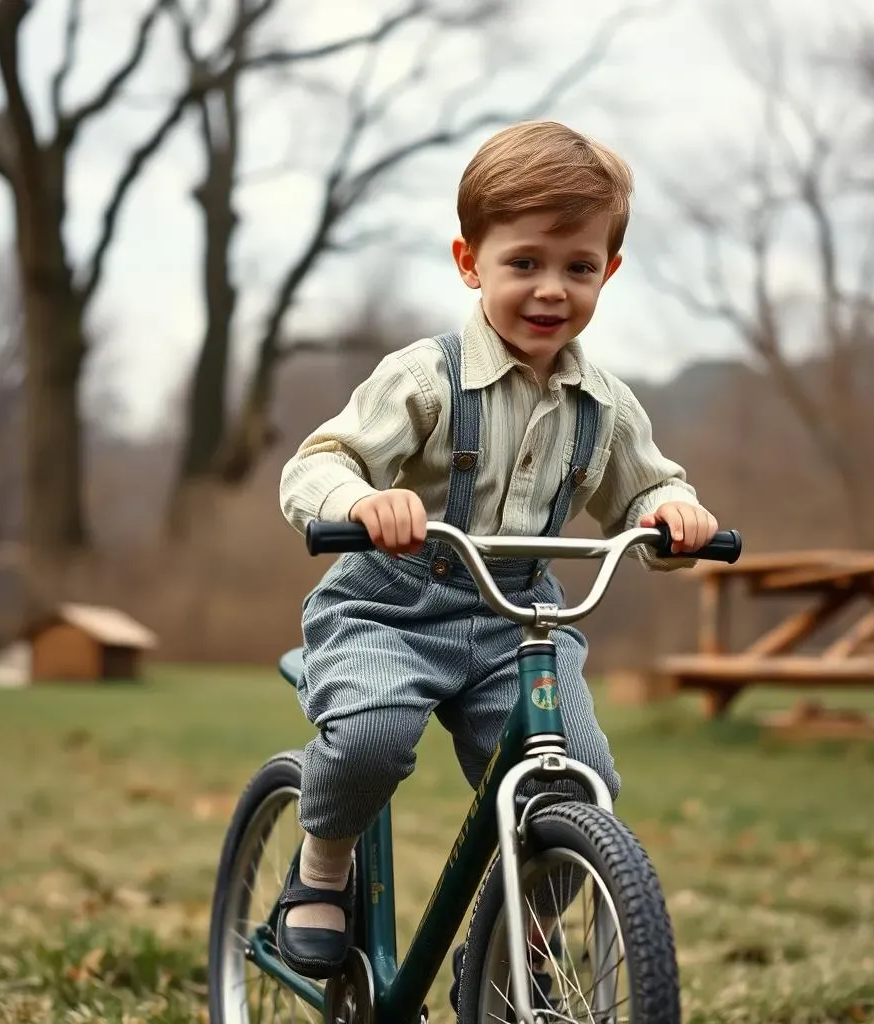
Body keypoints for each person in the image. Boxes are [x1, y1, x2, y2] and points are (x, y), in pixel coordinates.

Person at [276, 120, 719, 979]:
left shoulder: (607, 407)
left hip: (519, 621)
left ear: (608, 272)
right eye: (524, 263)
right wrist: (365, 501)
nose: (551, 289)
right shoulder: (424, 377)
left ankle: (523, 944)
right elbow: (317, 465)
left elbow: (645, 488)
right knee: (370, 735)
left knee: (578, 779)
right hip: (390, 605)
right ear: (470, 261)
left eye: (578, 267)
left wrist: (674, 514)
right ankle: (319, 872)